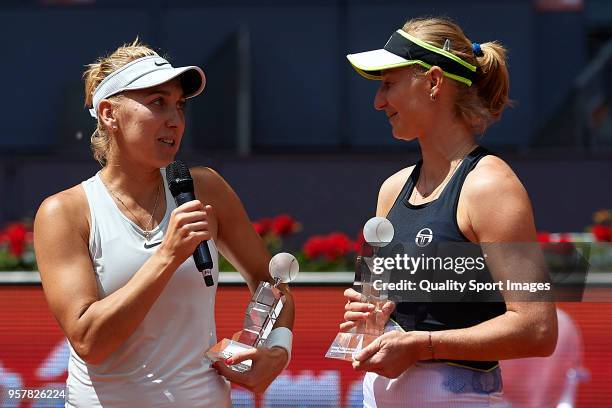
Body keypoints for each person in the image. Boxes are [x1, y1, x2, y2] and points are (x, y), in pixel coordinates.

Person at [33, 39, 294, 407]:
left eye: (180, 106)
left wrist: (277, 349)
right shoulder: (64, 212)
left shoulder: (206, 188)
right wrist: (167, 256)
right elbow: (90, 341)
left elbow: (270, 282)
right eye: (158, 103)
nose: (175, 120)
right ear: (109, 114)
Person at [339, 17, 558, 407]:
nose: (378, 101)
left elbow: (537, 328)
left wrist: (422, 346)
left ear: (434, 82)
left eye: (388, 84)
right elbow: (379, 305)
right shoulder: (391, 189)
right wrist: (371, 317)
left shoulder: (491, 186)